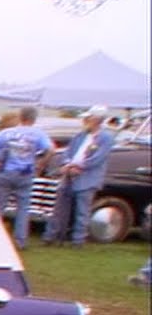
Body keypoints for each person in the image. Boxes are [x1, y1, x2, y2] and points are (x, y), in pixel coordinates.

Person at [0, 106, 54, 249]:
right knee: (23, 208)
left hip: (6, 172)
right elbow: (51, 150)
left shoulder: (8, 133)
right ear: (34, 119)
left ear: (21, 117)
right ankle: (20, 241)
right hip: (26, 173)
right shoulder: (38, 134)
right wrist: (40, 164)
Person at [43, 105, 117, 248]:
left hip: (87, 178)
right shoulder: (80, 135)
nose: (84, 121)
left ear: (96, 120)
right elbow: (67, 152)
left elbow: (98, 158)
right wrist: (67, 164)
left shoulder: (106, 138)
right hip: (69, 176)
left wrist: (80, 166)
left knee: (82, 211)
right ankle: (52, 236)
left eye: (88, 118)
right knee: (59, 209)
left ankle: (78, 240)